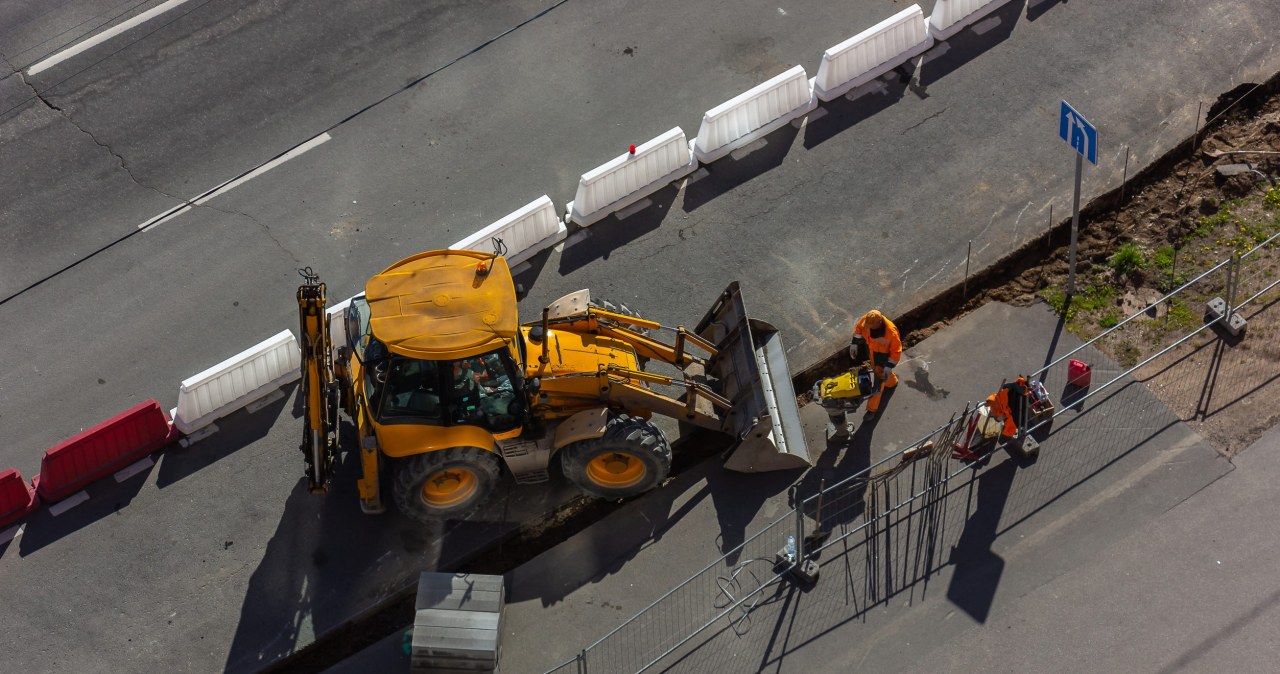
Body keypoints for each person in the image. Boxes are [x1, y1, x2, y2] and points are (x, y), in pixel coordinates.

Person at [849, 309, 901, 420]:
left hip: (884, 358)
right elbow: (859, 328)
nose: (868, 327)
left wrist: (889, 366)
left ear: (879, 323)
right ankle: (892, 382)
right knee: (884, 377)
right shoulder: (867, 320)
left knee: (878, 382)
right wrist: (854, 343)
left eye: (871, 326)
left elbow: (896, 351)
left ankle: (871, 409)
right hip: (872, 352)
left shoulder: (891, 333)